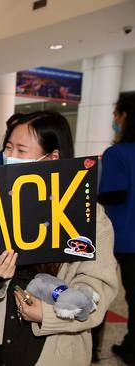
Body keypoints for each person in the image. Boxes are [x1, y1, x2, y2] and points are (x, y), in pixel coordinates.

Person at [0, 111, 119, 365]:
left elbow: (97, 289)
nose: (10, 156)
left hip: (54, 346)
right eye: (8, 147)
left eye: (21, 149)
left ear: (52, 157)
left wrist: (47, 313)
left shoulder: (88, 213)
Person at [99, 94, 135, 364]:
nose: (114, 119)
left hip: (127, 238)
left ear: (125, 116)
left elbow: (113, 193)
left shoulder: (118, 154)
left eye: (116, 113)